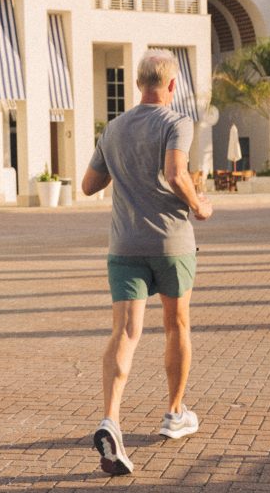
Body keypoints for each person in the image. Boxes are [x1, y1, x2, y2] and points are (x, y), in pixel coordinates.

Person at [82, 49, 213, 475]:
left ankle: (111, 419)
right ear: (172, 85)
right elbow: (176, 174)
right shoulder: (176, 122)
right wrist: (198, 205)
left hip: (125, 245)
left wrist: (121, 161)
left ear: (139, 84)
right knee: (176, 325)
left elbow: (88, 185)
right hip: (171, 243)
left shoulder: (114, 128)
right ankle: (175, 413)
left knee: (125, 331)